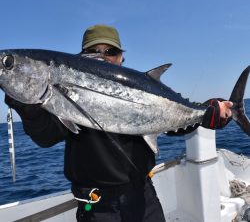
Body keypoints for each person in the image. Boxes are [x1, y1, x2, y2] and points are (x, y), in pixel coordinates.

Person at [5, 24, 233, 222]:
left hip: (143, 195)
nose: (103, 56)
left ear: (122, 57)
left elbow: (171, 121)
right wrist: (29, 110)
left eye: (110, 51)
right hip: (96, 205)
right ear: (80, 56)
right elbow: (46, 137)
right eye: (93, 51)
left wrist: (208, 114)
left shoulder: (140, 89)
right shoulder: (62, 96)